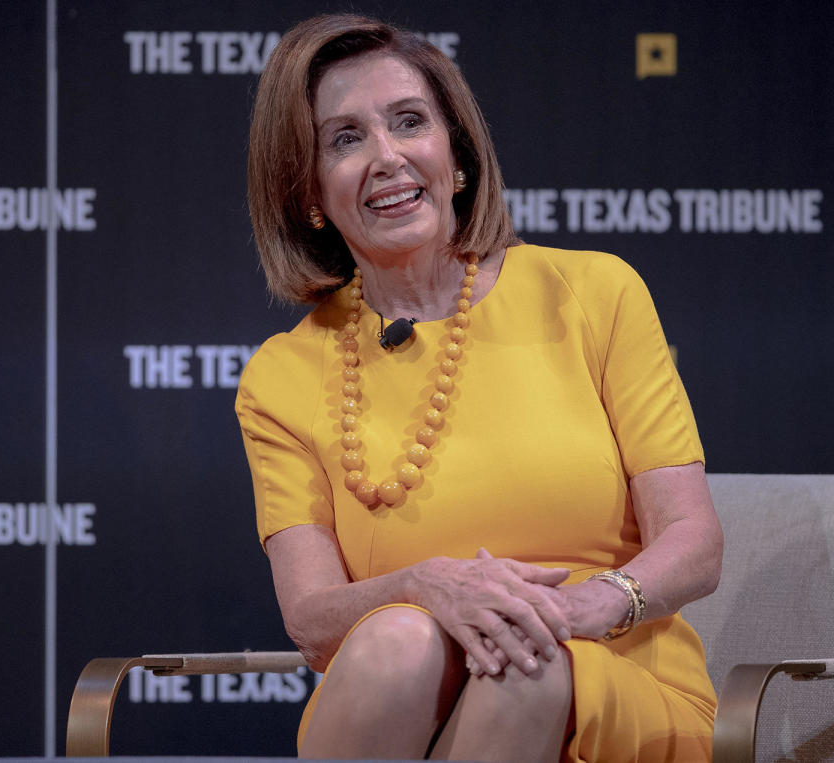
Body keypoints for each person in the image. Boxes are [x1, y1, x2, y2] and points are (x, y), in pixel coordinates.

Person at [236, 13, 723, 762]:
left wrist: (581, 607)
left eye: (408, 122)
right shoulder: (283, 373)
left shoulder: (592, 291)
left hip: (612, 665)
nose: (388, 157)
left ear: (455, 154)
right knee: (397, 635)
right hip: (405, 692)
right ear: (307, 190)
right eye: (345, 139)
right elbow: (312, 617)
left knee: (520, 663)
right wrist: (426, 588)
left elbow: (693, 541)